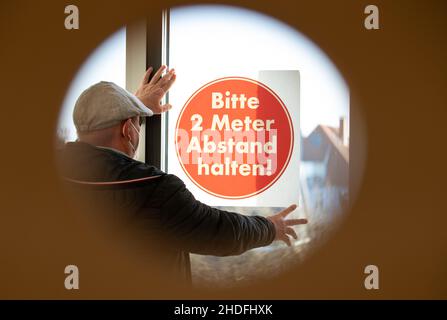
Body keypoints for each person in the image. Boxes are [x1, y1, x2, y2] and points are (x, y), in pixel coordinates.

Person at [58, 65, 307, 286]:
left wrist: (135, 109)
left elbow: (110, 145)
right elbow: (219, 232)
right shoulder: (155, 188)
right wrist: (269, 227)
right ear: (127, 129)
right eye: (136, 123)